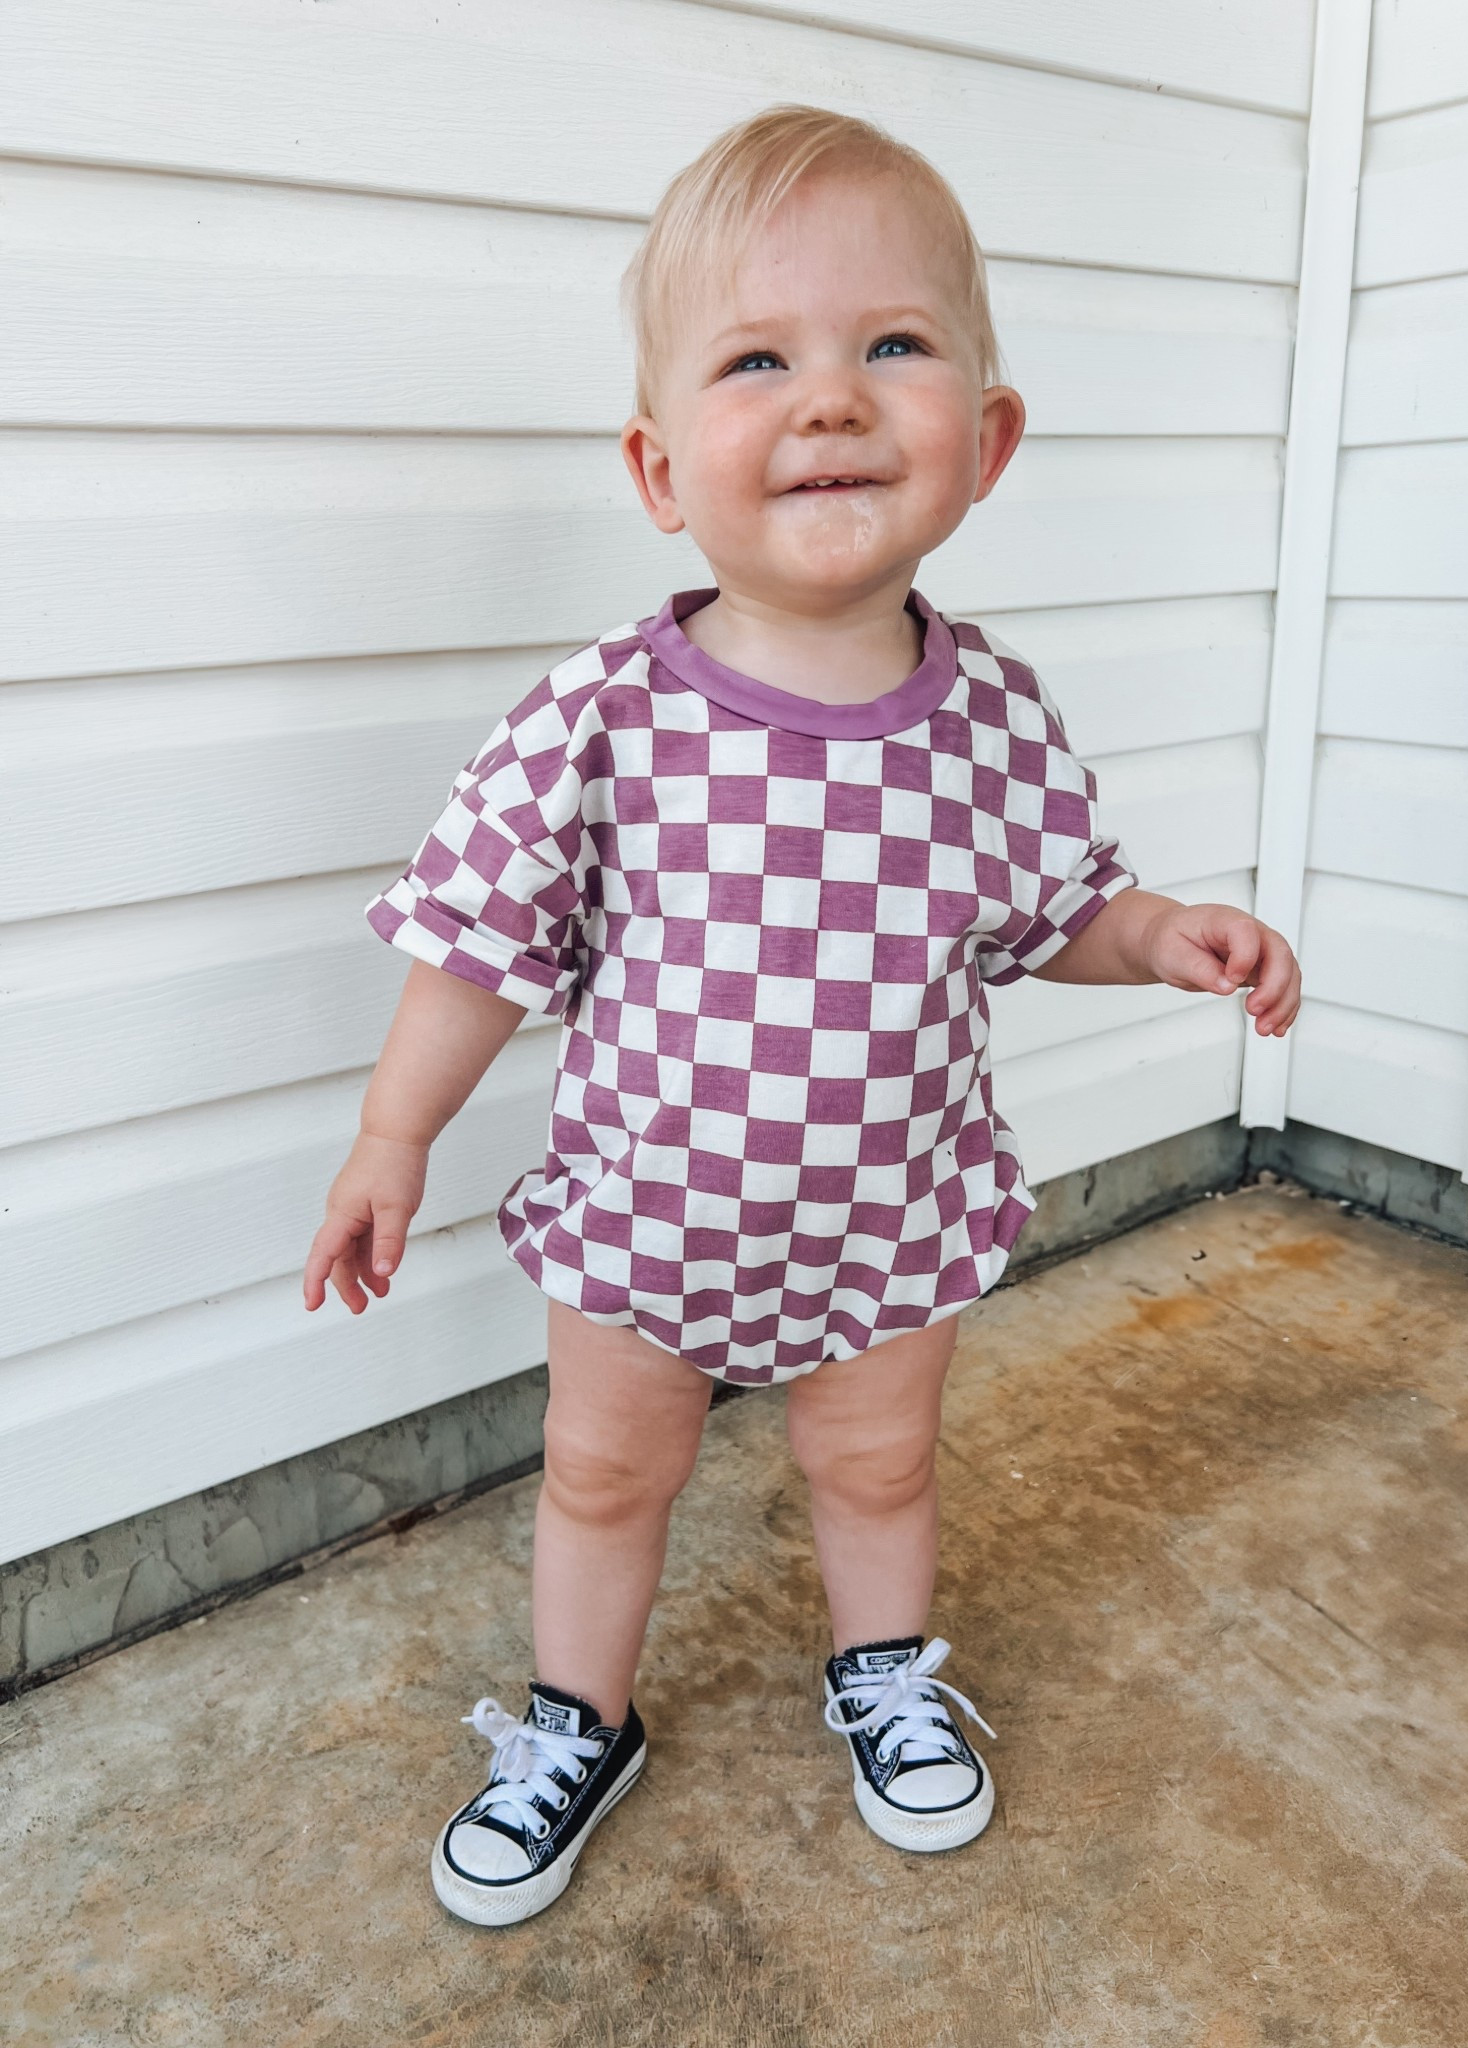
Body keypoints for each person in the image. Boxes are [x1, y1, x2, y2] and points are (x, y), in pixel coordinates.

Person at [302, 105, 1302, 1928]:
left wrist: (1158, 935)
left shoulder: (990, 716)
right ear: (660, 464)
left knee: (879, 1456)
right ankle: (574, 1717)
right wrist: (394, 1135)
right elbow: (475, 942)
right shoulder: (604, 719)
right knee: (605, 1474)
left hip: (886, 1213)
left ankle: (883, 1673)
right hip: (643, 1215)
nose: (831, 398)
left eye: (892, 347)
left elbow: (1050, 911)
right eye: (758, 359)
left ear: (984, 443)